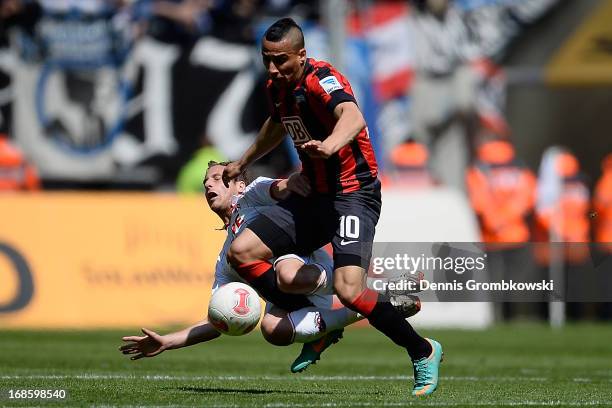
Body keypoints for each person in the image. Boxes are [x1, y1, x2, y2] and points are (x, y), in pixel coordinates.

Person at [221, 18, 442, 396]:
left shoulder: (322, 79)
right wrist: (244, 161)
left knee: (350, 290)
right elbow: (277, 124)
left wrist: (330, 145)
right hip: (314, 197)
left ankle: (422, 351)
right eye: (267, 60)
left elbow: (352, 116)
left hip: (354, 195)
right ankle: (323, 323)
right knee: (242, 251)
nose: (273, 68)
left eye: (281, 60)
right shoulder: (277, 86)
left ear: (302, 55)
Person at [120, 161, 421, 371]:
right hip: (299, 292)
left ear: (239, 183)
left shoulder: (251, 197)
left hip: (306, 264)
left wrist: (294, 181)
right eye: (206, 182)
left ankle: (373, 292)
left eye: (218, 178)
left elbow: (278, 187)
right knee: (272, 329)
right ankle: (377, 302)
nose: (209, 184)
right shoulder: (228, 255)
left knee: (287, 275)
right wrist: (167, 342)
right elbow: (218, 320)